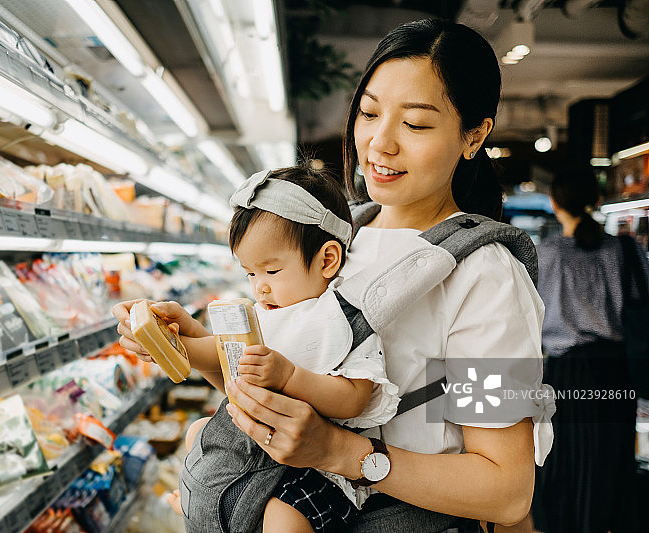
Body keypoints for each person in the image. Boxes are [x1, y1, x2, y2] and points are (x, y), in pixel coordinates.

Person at [114, 18, 553, 532]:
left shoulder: (484, 276)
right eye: (368, 113)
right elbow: (286, 385)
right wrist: (202, 350)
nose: (379, 143)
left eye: (415, 124)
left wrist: (343, 453)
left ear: (474, 135)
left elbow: (505, 490)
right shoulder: (343, 238)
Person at [155, 163, 401, 532]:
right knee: (199, 432)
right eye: (250, 273)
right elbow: (223, 355)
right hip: (259, 451)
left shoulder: (345, 320)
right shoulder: (268, 312)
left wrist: (290, 376)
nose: (259, 288)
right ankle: (202, 500)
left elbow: (354, 399)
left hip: (318, 469)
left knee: (284, 520)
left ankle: (215, 503)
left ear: (327, 260)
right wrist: (173, 341)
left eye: (271, 271)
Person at [531, 168, 641, 533]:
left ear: (554, 203)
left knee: (565, 461)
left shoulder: (544, 255)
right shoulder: (626, 250)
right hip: (617, 368)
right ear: (595, 200)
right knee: (612, 458)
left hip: (566, 372)